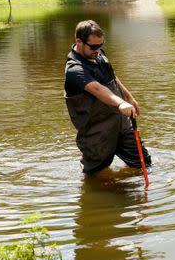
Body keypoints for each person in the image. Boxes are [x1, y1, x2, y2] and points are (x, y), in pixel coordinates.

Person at [64, 20, 152, 174]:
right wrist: (120, 103)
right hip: (97, 133)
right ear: (79, 41)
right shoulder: (74, 69)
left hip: (122, 125)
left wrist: (129, 97)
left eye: (101, 45)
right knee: (95, 175)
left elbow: (112, 77)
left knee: (144, 164)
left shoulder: (98, 54)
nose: (98, 50)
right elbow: (97, 89)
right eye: (94, 47)